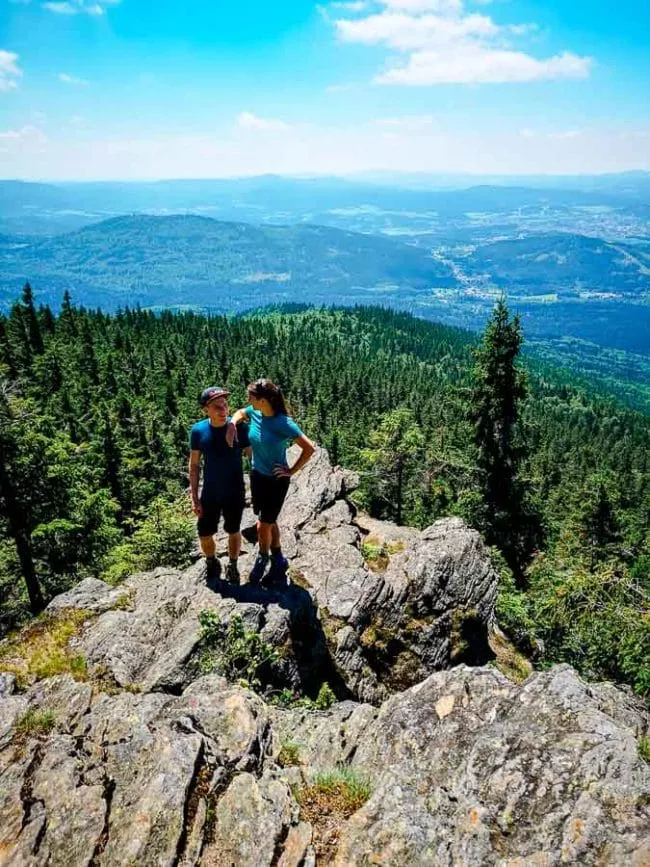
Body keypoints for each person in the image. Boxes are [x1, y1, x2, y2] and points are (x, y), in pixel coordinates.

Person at [231, 378, 315, 586]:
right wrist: (233, 424)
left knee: (262, 525)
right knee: (267, 519)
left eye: (251, 396)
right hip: (257, 475)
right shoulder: (256, 412)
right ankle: (278, 556)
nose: (248, 400)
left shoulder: (283, 423)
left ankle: (263, 556)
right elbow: (241, 412)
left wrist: (291, 470)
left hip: (276, 481)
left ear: (263, 400)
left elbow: (309, 448)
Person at [189, 386, 251, 583]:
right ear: (205, 409)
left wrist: (260, 484)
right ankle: (211, 560)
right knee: (204, 532)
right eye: (217, 406)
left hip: (234, 490)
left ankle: (232, 565)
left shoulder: (239, 428)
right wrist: (194, 497)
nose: (223, 410)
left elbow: (252, 457)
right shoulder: (199, 431)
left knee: (233, 529)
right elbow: (194, 464)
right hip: (210, 492)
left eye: (225, 405)